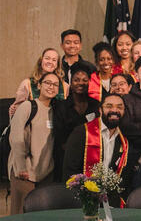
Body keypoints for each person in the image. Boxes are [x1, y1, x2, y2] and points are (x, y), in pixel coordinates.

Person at [8, 72, 59, 214]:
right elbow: (15, 137)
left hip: (45, 173)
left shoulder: (56, 111)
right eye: (48, 83)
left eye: (55, 85)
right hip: (24, 172)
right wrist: (21, 167)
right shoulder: (28, 106)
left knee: (42, 214)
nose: (51, 87)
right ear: (39, 85)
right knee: (20, 213)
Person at [62, 94, 130, 196]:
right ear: (100, 110)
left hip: (108, 198)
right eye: (109, 106)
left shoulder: (123, 140)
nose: (115, 110)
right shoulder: (82, 132)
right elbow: (70, 171)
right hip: (82, 197)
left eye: (119, 107)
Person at [53, 63, 100, 182]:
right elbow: (58, 135)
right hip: (66, 157)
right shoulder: (61, 106)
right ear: (71, 82)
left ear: (89, 82)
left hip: (91, 155)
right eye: (76, 80)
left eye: (84, 80)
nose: (80, 83)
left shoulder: (95, 105)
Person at [12, 48, 68, 117]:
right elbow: (17, 111)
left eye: (54, 60)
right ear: (41, 60)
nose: (50, 62)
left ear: (57, 64)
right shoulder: (27, 84)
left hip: (57, 125)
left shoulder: (65, 86)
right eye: (47, 58)